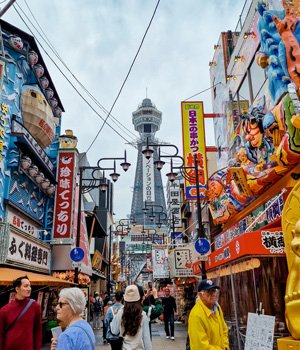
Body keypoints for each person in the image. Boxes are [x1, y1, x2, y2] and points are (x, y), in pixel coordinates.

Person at [0, 275, 42, 350]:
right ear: (17, 289)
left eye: (30, 286)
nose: (29, 289)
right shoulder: (4, 310)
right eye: (26, 286)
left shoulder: (35, 307)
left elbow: (37, 332)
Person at [188, 279, 229, 350]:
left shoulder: (217, 307)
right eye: (209, 292)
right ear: (200, 295)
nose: (213, 294)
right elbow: (200, 346)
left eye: (214, 291)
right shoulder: (196, 315)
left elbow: (224, 329)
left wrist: (225, 346)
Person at [110, 284, 152, 350]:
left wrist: (115, 316)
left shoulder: (121, 312)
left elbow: (114, 331)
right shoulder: (142, 315)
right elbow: (146, 339)